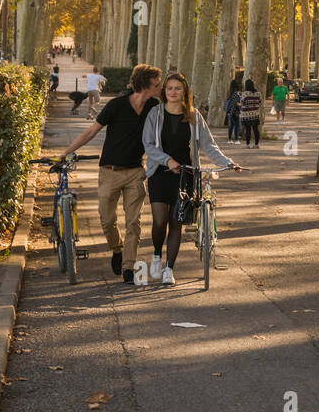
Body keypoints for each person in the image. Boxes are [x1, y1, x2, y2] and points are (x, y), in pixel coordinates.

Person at [64, 64, 162, 284]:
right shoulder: (116, 106)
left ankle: (128, 266)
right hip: (109, 171)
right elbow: (91, 131)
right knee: (107, 220)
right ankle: (117, 250)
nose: (161, 87)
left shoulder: (154, 107)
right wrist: (66, 152)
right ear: (146, 85)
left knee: (134, 222)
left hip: (136, 172)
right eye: (157, 84)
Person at [143, 72, 243, 285]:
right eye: (169, 88)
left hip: (186, 175)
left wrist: (227, 162)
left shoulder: (194, 115)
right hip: (160, 174)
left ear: (184, 92)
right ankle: (156, 255)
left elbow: (209, 145)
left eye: (177, 88)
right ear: (164, 91)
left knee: (176, 222)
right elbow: (148, 145)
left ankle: (169, 269)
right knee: (160, 221)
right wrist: (167, 161)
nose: (173, 92)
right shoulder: (155, 114)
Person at [238, 78, 262, 147]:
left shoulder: (245, 94)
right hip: (255, 114)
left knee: (248, 130)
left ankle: (247, 144)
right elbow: (259, 102)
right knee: (256, 130)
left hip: (246, 115)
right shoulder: (258, 93)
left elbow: (242, 103)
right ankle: (256, 144)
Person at [223, 76, 242, 144]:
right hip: (235, 112)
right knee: (236, 126)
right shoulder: (236, 94)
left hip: (230, 112)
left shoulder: (229, 93)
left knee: (231, 126)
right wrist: (242, 104)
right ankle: (236, 140)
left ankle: (229, 139)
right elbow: (236, 103)